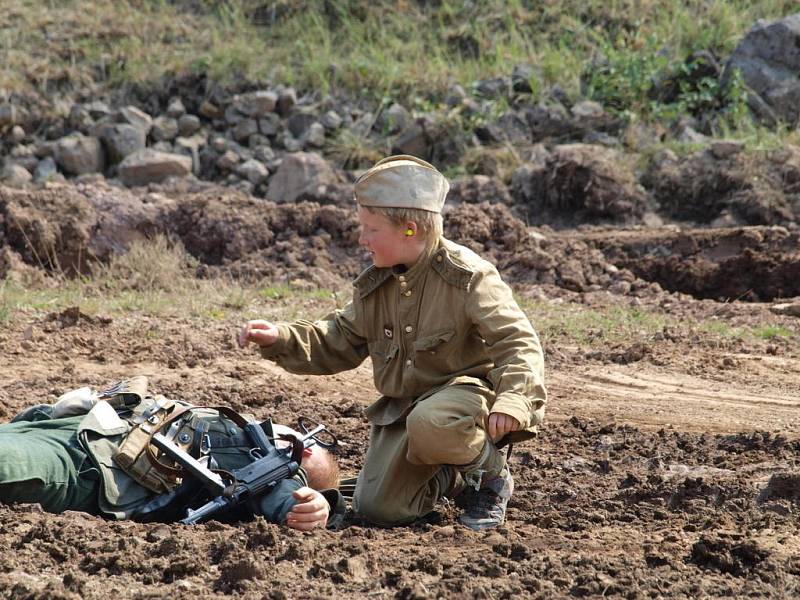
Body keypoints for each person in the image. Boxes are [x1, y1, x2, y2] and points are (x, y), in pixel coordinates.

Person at [238, 155, 547, 530]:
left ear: (409, 230)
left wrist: (514, 400)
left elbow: (517, 341)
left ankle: (490, 476)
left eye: (371, 229)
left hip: (461, 402)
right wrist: (280, 337)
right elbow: (340, 337)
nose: (361, 238)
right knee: (380, 510)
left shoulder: (468, 276)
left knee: (433, 421)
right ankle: (455, 477)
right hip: (405, 413)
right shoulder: (378, 286)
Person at [0, 376, 342, 530]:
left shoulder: (276, 460)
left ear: (304, 449)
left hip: (91, 467)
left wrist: (306, 503)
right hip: (76, 428)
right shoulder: (240, 432)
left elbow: (281, 488)